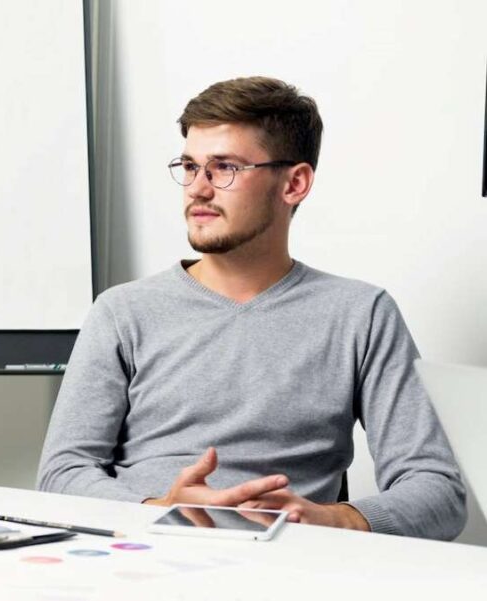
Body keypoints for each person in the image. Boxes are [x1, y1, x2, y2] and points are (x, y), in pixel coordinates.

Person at [37, 76, 466, 540]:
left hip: (284, 562)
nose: (198, 189)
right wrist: (155, 509)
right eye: (190, 166)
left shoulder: (361, 314)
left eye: (225, 168)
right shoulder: (122, 312)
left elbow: (438, 493)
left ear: (294, 183)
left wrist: (333, 519)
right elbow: (62, 474)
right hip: (141, 551)